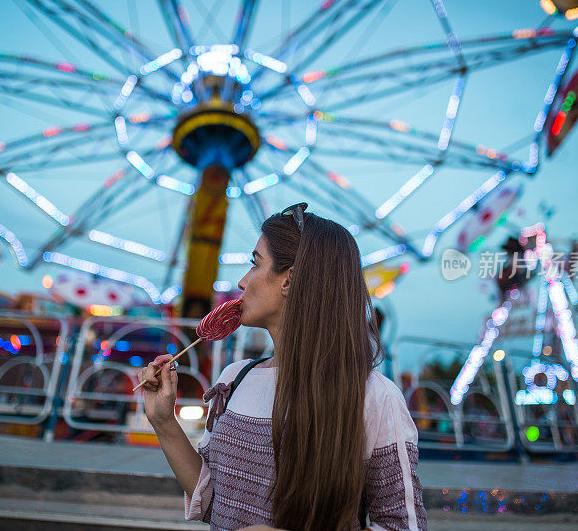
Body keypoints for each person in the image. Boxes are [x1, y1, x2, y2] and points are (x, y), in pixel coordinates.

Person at [140, 203, 427, 530]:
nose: (242, 281)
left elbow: (403, 526)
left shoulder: (374, 397)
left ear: (290, 279)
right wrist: (163, 420)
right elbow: (214, 500)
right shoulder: (235, 378)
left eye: (255, 264)